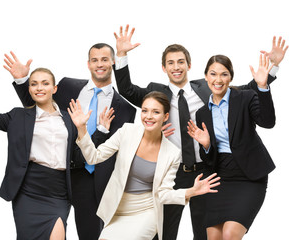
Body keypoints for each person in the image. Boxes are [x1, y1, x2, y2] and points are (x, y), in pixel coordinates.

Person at [112, 25, 288, 240]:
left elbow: (250, 88)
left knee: (206, 233)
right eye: (170, 63)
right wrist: (120, 55)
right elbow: (127, 90)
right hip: (172, 172)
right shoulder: (156, 93)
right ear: (164, 68)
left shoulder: (208, 88)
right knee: (164, 230)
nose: (176, 67)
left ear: (189, 65)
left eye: (180, 62)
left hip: (208, 171)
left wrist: (273, 68)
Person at [3, 44, 136, 239]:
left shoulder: (126, 109)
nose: (100, 64)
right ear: (88, 64)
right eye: (95, 60)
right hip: (54, 176)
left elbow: (116, 149)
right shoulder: (67, 86)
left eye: (105, 59)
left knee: (89, 234)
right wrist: (22, 80)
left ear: (113, 62)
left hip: (92, 180)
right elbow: (35, 109)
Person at [68, 91, 221, 240]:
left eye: (155, 112)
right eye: (145, 111)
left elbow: (163, 193)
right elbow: (94, 157)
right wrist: (82, 128)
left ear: (165, 116)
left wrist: (190, 192)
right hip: (118, 210)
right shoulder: (127, 131)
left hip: (147, 212)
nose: (148, 116)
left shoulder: (172, 153)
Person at [0, 52, 78, 240]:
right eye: (34, 83)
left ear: (54, 88)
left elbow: (81, 151)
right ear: (28, 89)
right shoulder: (18, 116)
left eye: (45, 83)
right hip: (29, 189)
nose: (39, 88)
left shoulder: (70, 118)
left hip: (59, 190)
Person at [187, 53, 276, 239]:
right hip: (221, 177)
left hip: (249, 177)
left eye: (224, 74)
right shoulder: (202, 113)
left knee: (229, 234)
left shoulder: (245, 98)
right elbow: (209, 159)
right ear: (206, 77)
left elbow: (268, 122)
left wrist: (262, 86)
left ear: (231, 77)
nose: (218, 80)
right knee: (214, 237)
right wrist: (206, 145)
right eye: (213, 74)